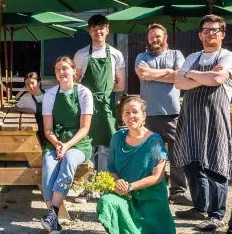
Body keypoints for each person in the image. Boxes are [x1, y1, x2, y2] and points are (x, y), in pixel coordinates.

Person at [174, 15, 232, 232]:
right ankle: (199, 207)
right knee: (192, 162)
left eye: (215, 30)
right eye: (206, 30)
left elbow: (217, 81)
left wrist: (191, 75)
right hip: (190, 117)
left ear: (222, 34)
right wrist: (202, 75)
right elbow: (179, 82)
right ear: (199, 35)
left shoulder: (227, 56)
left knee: (216, 164)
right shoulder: (192, 56)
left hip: (215, 119)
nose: (210, 33)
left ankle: (216, 215)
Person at [96, 95, 176, 234]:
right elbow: (111, 169)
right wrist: (118, 182)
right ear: (122, 116)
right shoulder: (117, 137)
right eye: (127, 112)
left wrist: (131, 186)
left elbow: (157, 177)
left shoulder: (154, 141)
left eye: (135, 112)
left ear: (143, 115)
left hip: (149, 197)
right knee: (106, 202)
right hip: (123, 194)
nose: (131, 116)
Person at [134, 23, 191, 206]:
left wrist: (155, 73)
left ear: (165, 37)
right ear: (147, 39)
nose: (154, 39)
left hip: (172, 113)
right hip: (148, 115)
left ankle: (178, 191)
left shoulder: (176, 55)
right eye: (151, 37)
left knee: (177, 155)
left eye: (158, 36)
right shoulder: (141, 56)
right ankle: (152, 188)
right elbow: (142, 75)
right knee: (150, 155)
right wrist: (167, 72)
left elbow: (178, 77)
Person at [40, 56, 93, 233]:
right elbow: (48, 129)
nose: (61, 72)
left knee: (69, 161)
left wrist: (67, 145)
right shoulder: (50, 95)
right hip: (55, 141)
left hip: (78, 142)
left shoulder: (84, 93)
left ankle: (52, 215)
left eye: (65, 68)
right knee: (48, 164)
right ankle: (52, 218)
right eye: (57, 69)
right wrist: (57, 143)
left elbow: (85, 128)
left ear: (73, 70)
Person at [73, 14, 125, 173]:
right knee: (86, 144)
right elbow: (75, 82)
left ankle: (103, 184)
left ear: (107, 29)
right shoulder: (81, 54)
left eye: (101, 28)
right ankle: (86, 185)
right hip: (85, 106)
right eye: (94, 29)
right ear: (89, 31)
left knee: (106, 147)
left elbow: (120, 84)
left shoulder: (116, 54)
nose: (98, 32)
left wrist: (105, 93)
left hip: (107, 106)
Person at [16, 72, 46, 144]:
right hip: (37, 131)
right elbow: (16, 107)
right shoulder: (26, 97)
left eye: (32, 83)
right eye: (27, 84)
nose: (30, 86)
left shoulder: (48, 95)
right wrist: (25, 110)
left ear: (39, 83)